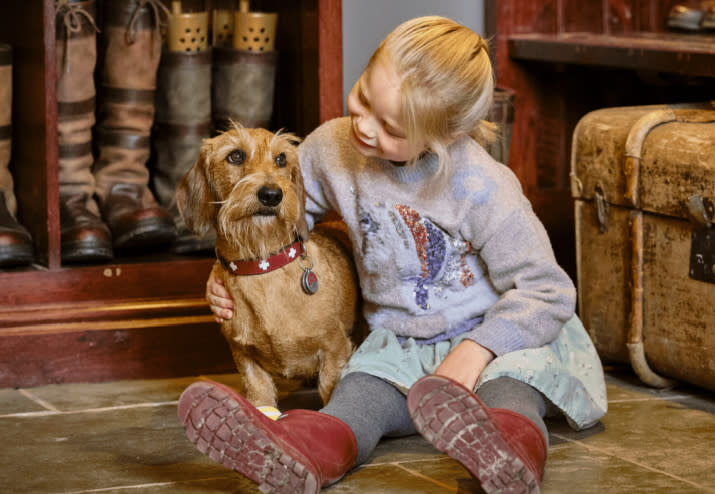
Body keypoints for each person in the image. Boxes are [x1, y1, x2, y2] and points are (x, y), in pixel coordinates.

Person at [177, 16, 607, 494]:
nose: (363, 125)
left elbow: (548, 291)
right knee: (354, 401)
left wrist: (476, 351)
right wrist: (230, 269)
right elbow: (281, 219)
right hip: (398, 346)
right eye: (363, 97)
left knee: (508, 395)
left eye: (390, 126)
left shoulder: (483, 187)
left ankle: (507, 457)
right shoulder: (331, 147)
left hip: (495, 342)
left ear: (444, 137)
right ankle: (297, 451)